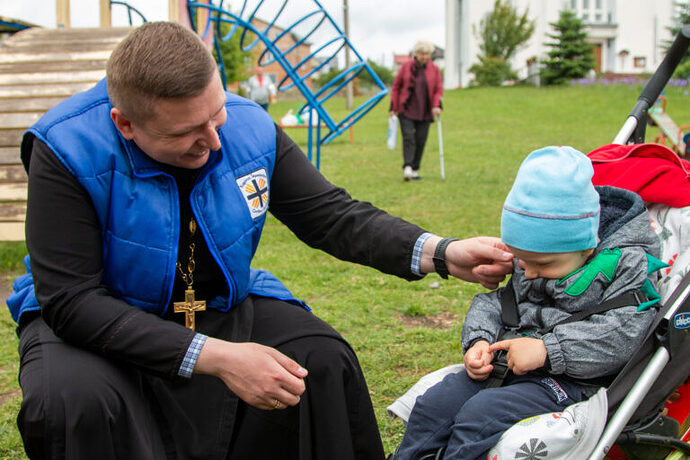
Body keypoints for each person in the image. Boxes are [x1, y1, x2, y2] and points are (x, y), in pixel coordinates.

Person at [7, 22, 514, 460]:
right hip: (99, 321)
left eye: (216, 113)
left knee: (320, 357)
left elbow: (330, 215)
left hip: (219, 304)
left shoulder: (248, 126)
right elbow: (71, 300)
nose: (215, 142)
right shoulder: (66, 147)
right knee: (71, 402)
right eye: (187, 132)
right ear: (125, 123)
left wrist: (441, 253)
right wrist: (218, 358)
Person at [393, 146, 665, 460]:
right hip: (507, 365)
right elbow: (498, 302)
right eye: (521, 260)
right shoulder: (536, 258)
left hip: (571, 382)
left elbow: (624, 333)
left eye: (542, 264)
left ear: (588, 246)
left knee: (481, 416)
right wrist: (479, 340)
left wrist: (549, 350)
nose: (529, 272)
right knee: (435, 404)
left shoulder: (625, 266)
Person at [389, 40, 443, 181]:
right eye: (421, 53)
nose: (424, 56)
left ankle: (414, 169)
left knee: (421, 139)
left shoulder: (434, 69)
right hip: (406, 109)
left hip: (425, 110)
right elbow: (396, 87)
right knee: (408, 138)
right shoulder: (406, 67)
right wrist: (393, 107)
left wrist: (436, 105)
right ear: (416, 54)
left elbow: (438, 90)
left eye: (426, 54)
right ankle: (407, 166)